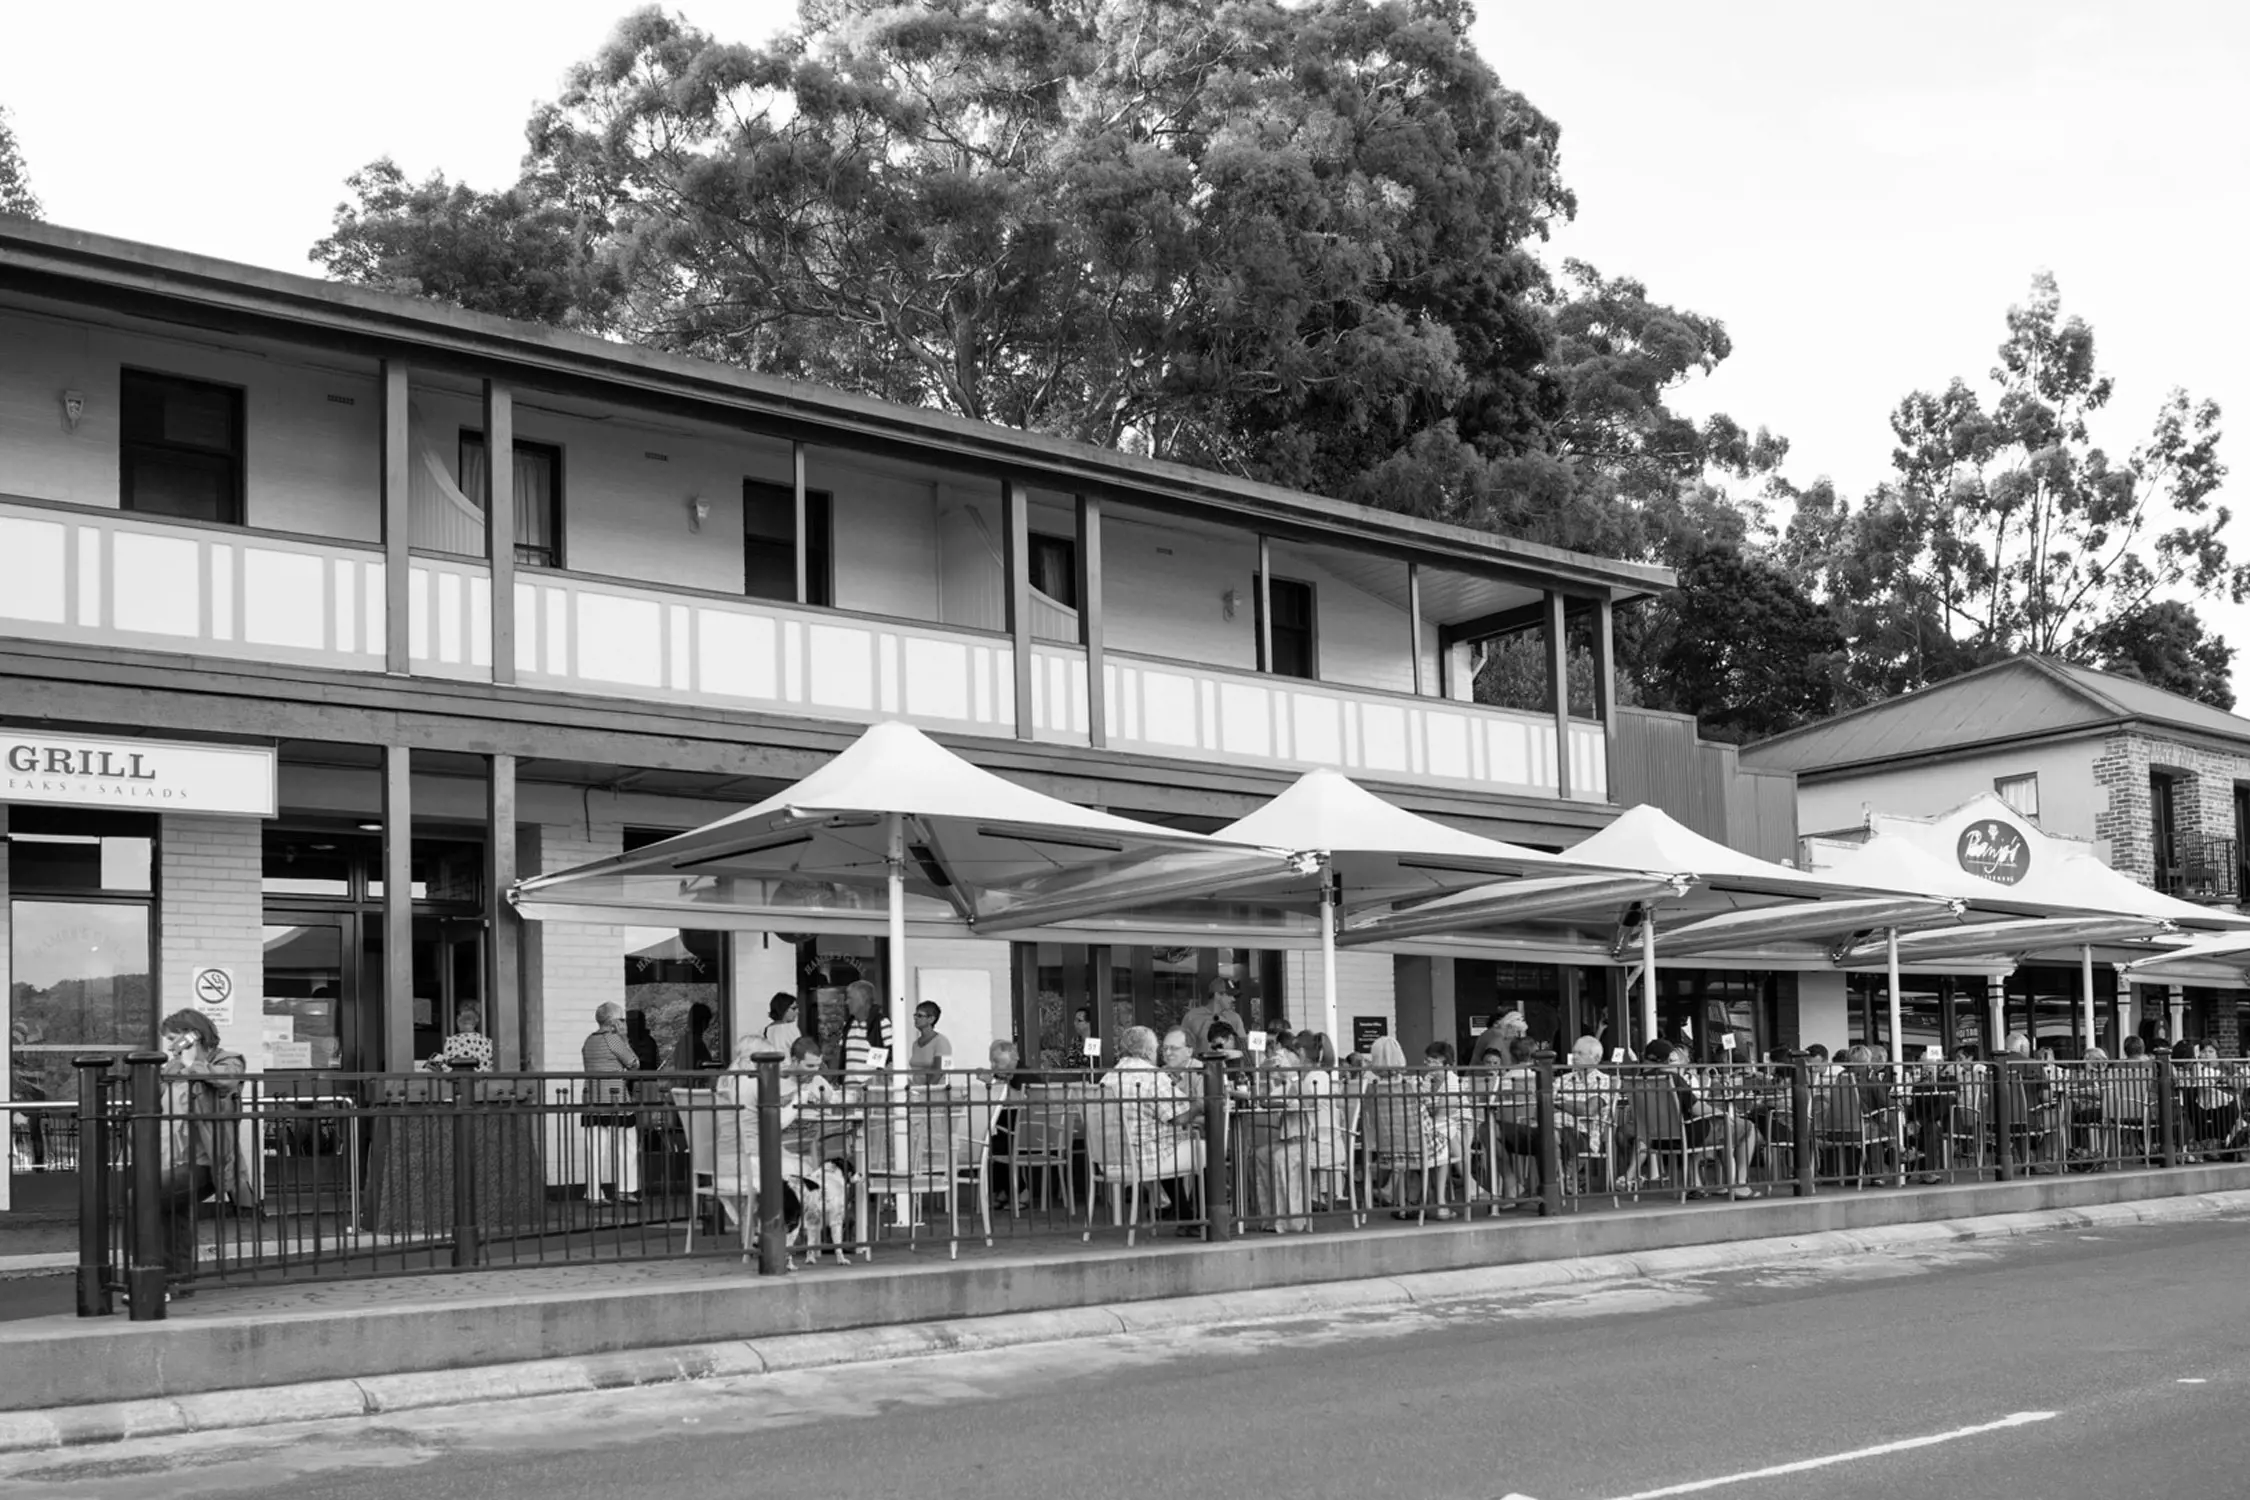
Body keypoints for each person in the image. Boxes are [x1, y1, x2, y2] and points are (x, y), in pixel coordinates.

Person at [156, 1009, 250, 1293]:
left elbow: (228, 1080)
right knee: (174, 1213)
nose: (170, 1046)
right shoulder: (173, 1067)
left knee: (147, 1198)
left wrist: (193, 1061)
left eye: (173, 1038)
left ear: (192, 1034)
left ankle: (151, 1277)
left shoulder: (227, 1059)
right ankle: (177, 1280)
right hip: (174, 1155)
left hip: (208, 1160)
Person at [1098, 1027, 1205, 1222]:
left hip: (1110, 1159)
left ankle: (1182, 1212)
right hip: (1145, 1157)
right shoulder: (1152, 1076)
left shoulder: (1107, 1078)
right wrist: (1199, 1105)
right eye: (1158, 1049)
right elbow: (1179, 1117)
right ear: (1148, 1051)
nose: (1160, 1054)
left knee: (1171, 1144)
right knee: (1205, 1148)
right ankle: (1205, 1215)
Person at [1649, 1040, 1760, 1199]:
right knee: (1746, 1127)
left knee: (1723, 1130)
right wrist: (1722, 1114)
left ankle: (1699, 1183)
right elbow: (1697, 1109)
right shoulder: (1672, 1078)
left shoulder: (1639, 1079)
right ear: (1669, 1058)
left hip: (1656, 1139)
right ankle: (1739, 1184)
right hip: (1686, 1135)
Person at [1363, 1036, 1451, 1220]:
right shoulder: (1412, 1084)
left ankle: (1405, 1204)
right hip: (1418, 1147)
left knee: (1410, 1158)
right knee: (1446, 1145)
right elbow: (1427, 1106)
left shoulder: (1371, 1089)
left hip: (1388, 1150)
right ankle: (1441, 1203)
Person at [581, 1002, 643, 1205]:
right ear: (614, 1021)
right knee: (627, 1142)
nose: (625, 1023)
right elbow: (634, 1063)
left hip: (592, 1097)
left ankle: (593, 1193)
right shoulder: (614, 1040)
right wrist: (625, 1039)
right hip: (615, 1097)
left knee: (595, 1147)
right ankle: (626, 1189)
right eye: (622, 1019)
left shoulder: (589, 1040)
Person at [1248, 1040, 1312, 1233]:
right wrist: (1267, 1075)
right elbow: (1267, 1098)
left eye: (1285, 1056)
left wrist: (1290, 1075)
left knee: (1279, 1157)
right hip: (1290, 1138)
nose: (1281, 1060)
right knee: (1260, 1154)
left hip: (1310, 1139)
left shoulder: (1312, 1078)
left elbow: (1308, 1101)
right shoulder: (1289, 1081)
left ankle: (1291, 1220)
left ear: (1297, 1056)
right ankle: (1270, 1217)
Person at [1180, 979, 1246, 1054]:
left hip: (1227, 1064)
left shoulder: (1235, 1018)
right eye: (1229, 995)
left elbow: (1243, 1047)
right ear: (1217, 995)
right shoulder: (1192, 1016)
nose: (1233, 999)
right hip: (1199, 1064)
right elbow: (1181, 1046)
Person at [840, 980, 888, 1080]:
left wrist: (873, 1080)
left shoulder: (880, 1023)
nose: (846, 1002)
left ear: (863, 1000)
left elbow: (890, 1058)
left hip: (869, 1091)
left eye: (850, 998)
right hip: (848, 1090)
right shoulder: (848, 1025)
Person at [429, 1006, 495, 1073]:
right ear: (476, 1022)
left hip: (457, 1081)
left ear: (458, 1021)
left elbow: (447, 1068)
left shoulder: (451, 1041)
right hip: (482, 1081)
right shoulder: (488, 1042)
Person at [907, 1001, 952, 1084]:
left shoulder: (941, 1042)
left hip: (934, 1093)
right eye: (915, 1015)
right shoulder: (915, 1044)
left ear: (931, 1019)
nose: (915, 1018)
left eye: (920, 1016)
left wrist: (926, 1092)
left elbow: (938, 1072)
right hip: (917, 1093)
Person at [669, 1002, 720, 1073]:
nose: (708, 1026)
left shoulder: (681, 1042)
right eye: (707, 1022)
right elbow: (707, 1068)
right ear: (703, 1023)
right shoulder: (697, 1043)